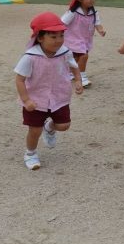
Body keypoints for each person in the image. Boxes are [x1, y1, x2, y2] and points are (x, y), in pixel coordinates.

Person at [14, 12, 83, 171]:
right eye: (53, 37)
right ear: (40, 38)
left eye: (61, 35)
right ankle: (30, 154)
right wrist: (26, 100)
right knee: (35, 130)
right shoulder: (30, 57)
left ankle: (49, 127)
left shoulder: (65, 52)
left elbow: (73, 66)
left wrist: (78, 80)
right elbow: (19, 79)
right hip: (36, 101)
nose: (59, 40)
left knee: (64, 125)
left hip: (59, 97)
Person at [61, 0, 106, 88]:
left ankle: (70, 73)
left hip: (85, 39)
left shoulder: (94, 12)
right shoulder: (73, 13)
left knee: (76, 58)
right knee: (84, 56)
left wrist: (101, 30)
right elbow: (61, 23)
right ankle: (82, 77)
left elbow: (97, 24)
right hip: (73, 39)